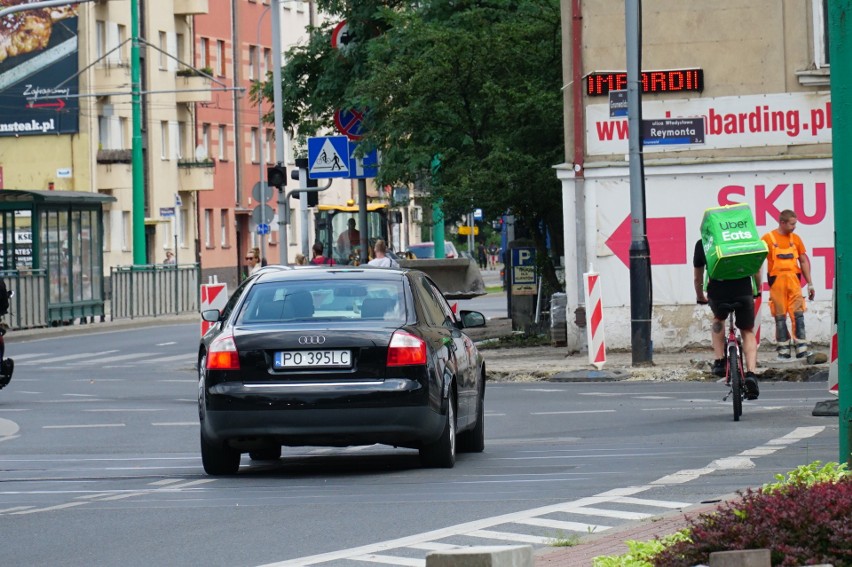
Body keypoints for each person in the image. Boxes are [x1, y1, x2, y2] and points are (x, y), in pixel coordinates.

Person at [693, 239, 761, 399]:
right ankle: (751, 373)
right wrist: (756, 291)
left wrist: (700, 296)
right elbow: (756, 270)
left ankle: (719, 361)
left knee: (718, 319)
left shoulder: (703, 244)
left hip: (718, 293)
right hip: (743, 291)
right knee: (747, 330)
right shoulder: (742, 239)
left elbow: (698, 277)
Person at [761, 210, 815, 360]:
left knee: (798, 314)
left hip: (794, 283)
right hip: (777, 283)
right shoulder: (767, 239)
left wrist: (810, 283)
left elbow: (803, 261)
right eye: (792, 224)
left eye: (795, 223)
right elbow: (758, 261)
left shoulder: (796, 239)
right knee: (779, 316)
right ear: (782, 223)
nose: (795, 227)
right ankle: (783, 350)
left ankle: (801, 349)